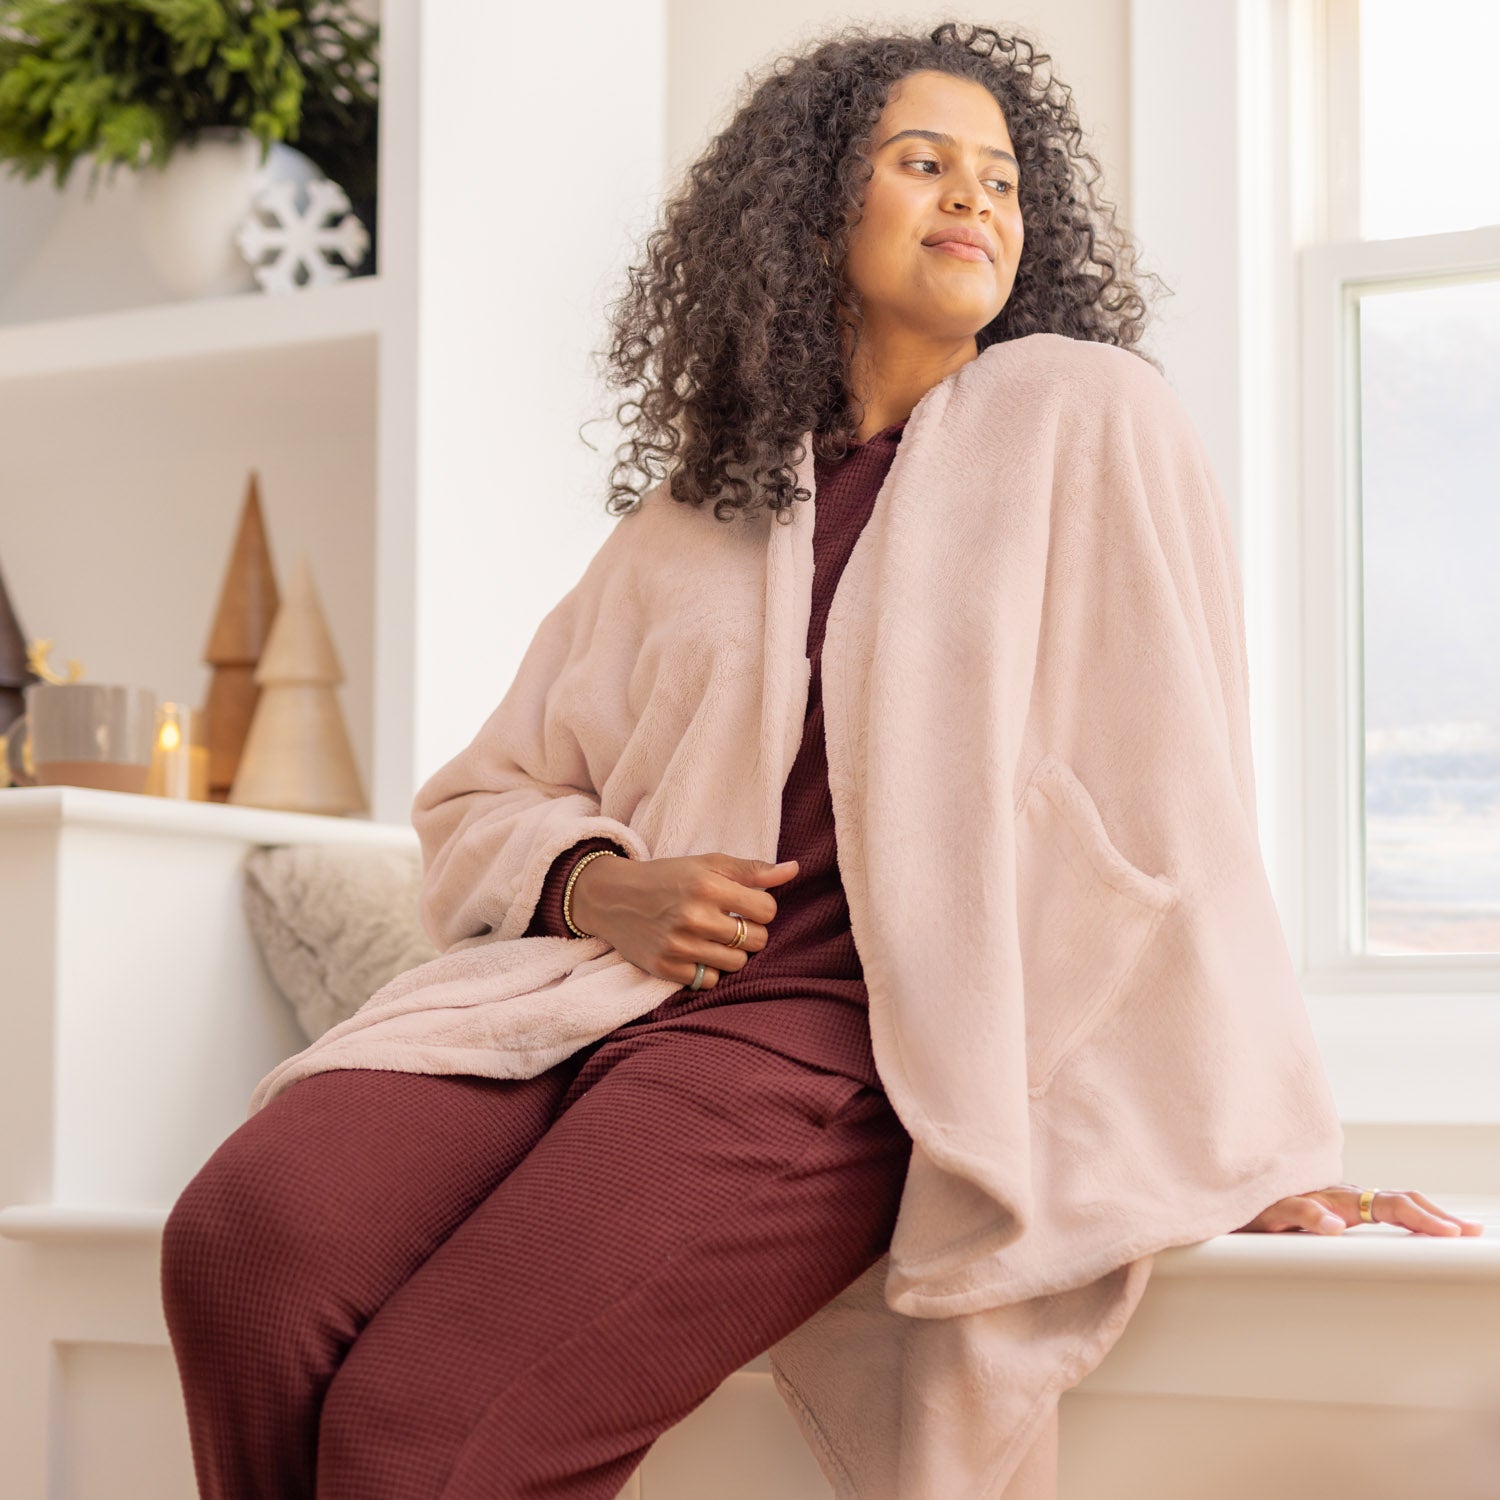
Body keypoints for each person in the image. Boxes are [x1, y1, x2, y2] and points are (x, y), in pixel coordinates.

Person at [159, 21, 1483, 1500]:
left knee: (422, 1426)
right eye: (923, 165)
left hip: (838, 1040)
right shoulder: (702, 510)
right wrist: (604, 887)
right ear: (812, 208)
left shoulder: (1080, 418)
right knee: (240, 1251)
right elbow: (487, 793)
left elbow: (1177, 802)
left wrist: (1259, 1149)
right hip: (589, 1004)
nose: (974, 199)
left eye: (1000, 178)